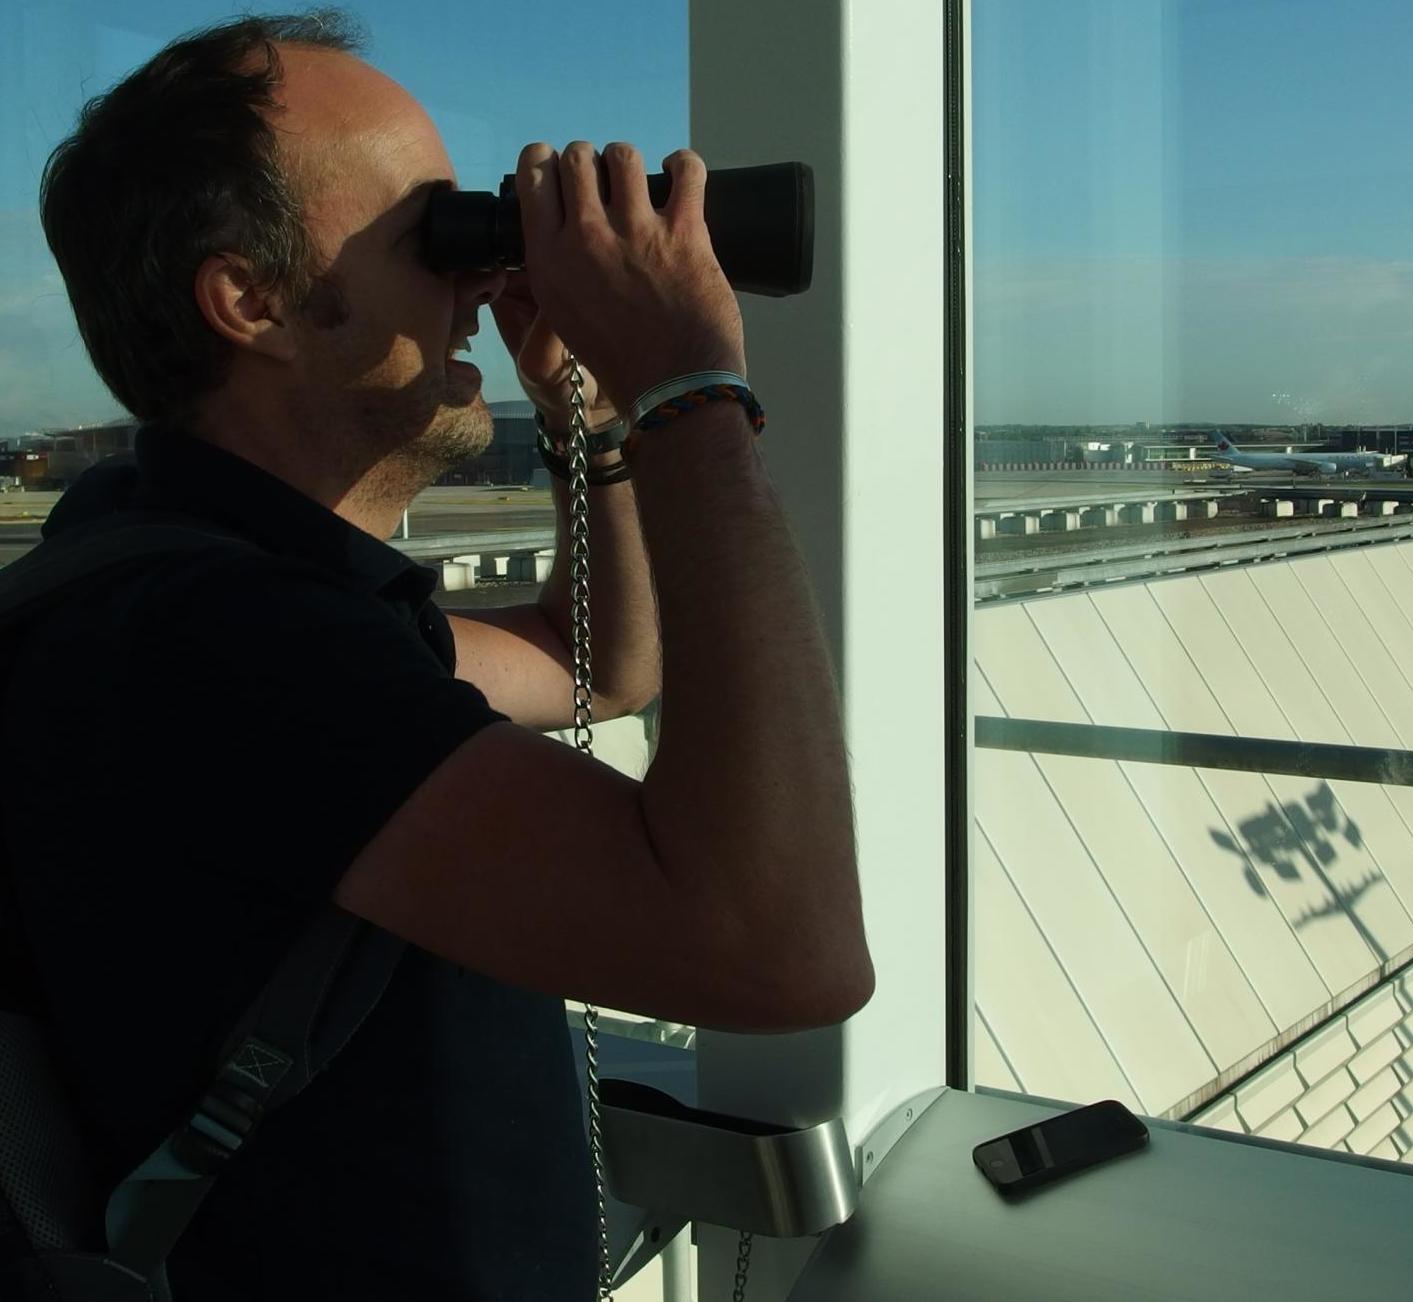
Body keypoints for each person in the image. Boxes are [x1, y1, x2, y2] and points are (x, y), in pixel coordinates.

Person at [11, 9, 871, 1299]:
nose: (480, 276)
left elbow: (594, 663)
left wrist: (590, 412)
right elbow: (785, 947)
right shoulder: (224, 647)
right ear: (253, 302)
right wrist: (688, 385)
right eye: (436, 233)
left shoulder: (170, 571)